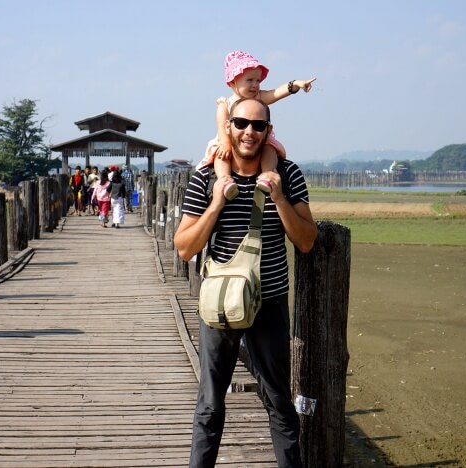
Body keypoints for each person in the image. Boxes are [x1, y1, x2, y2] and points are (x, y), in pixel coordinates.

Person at [174, 97, 317, 468]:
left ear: (269, 132)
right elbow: (185, 248)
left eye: (258, 126)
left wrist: (279, 198)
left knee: (279, 402)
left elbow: (306, 240)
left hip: (268, 301)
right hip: (218, 305)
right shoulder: (205, 177)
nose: (248, 132)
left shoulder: (288, 173)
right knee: (209, 403)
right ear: (228, 127)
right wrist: (217, 204)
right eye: (240, 123)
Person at [198, 50, 316, 200]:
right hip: (229, 140)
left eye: (258, 81)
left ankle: (267, 176)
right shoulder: (225, 104)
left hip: (257, 141)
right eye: (250, 80)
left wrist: (296, 85)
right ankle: (225, 181)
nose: (255, 85)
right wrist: (226, 143)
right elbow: (222, 127)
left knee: (269, 148)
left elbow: (277, 92)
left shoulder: (259, 97)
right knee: (220, 156)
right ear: (233, 82)